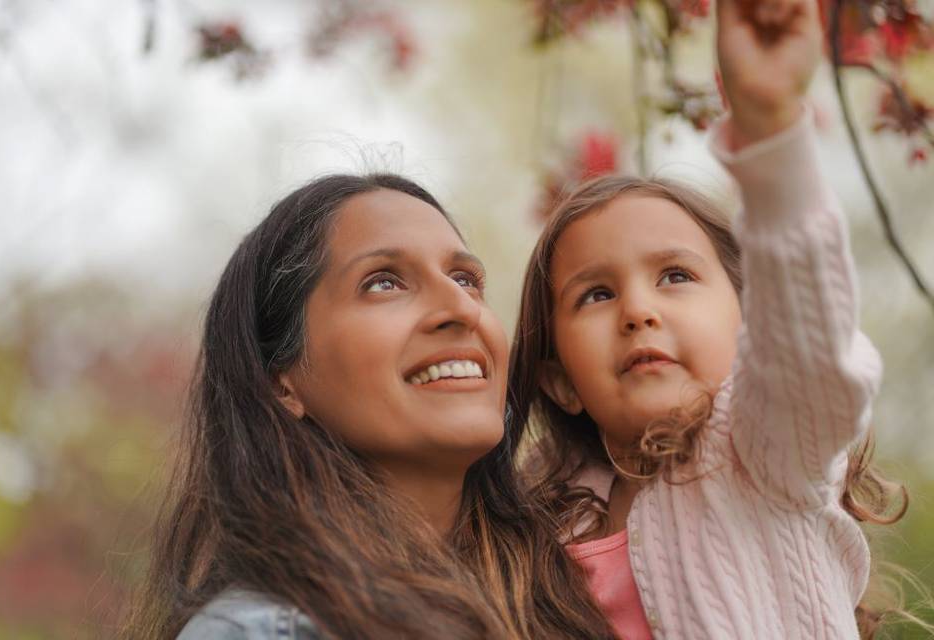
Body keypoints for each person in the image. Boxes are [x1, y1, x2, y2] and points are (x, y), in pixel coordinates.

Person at [507, 0, 910, 637]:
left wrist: (771, 129)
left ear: (751, 324)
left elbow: (809, 352)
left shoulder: (763, 449)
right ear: (559, 381)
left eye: (676, 276)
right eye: (596, 295)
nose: (639, 310)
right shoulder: (539, 527)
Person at [125, 174, 613, 639]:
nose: (462, 309)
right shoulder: (263, 630)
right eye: (384, 282)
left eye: (465, 279)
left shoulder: (579, 591)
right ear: (281, 382)